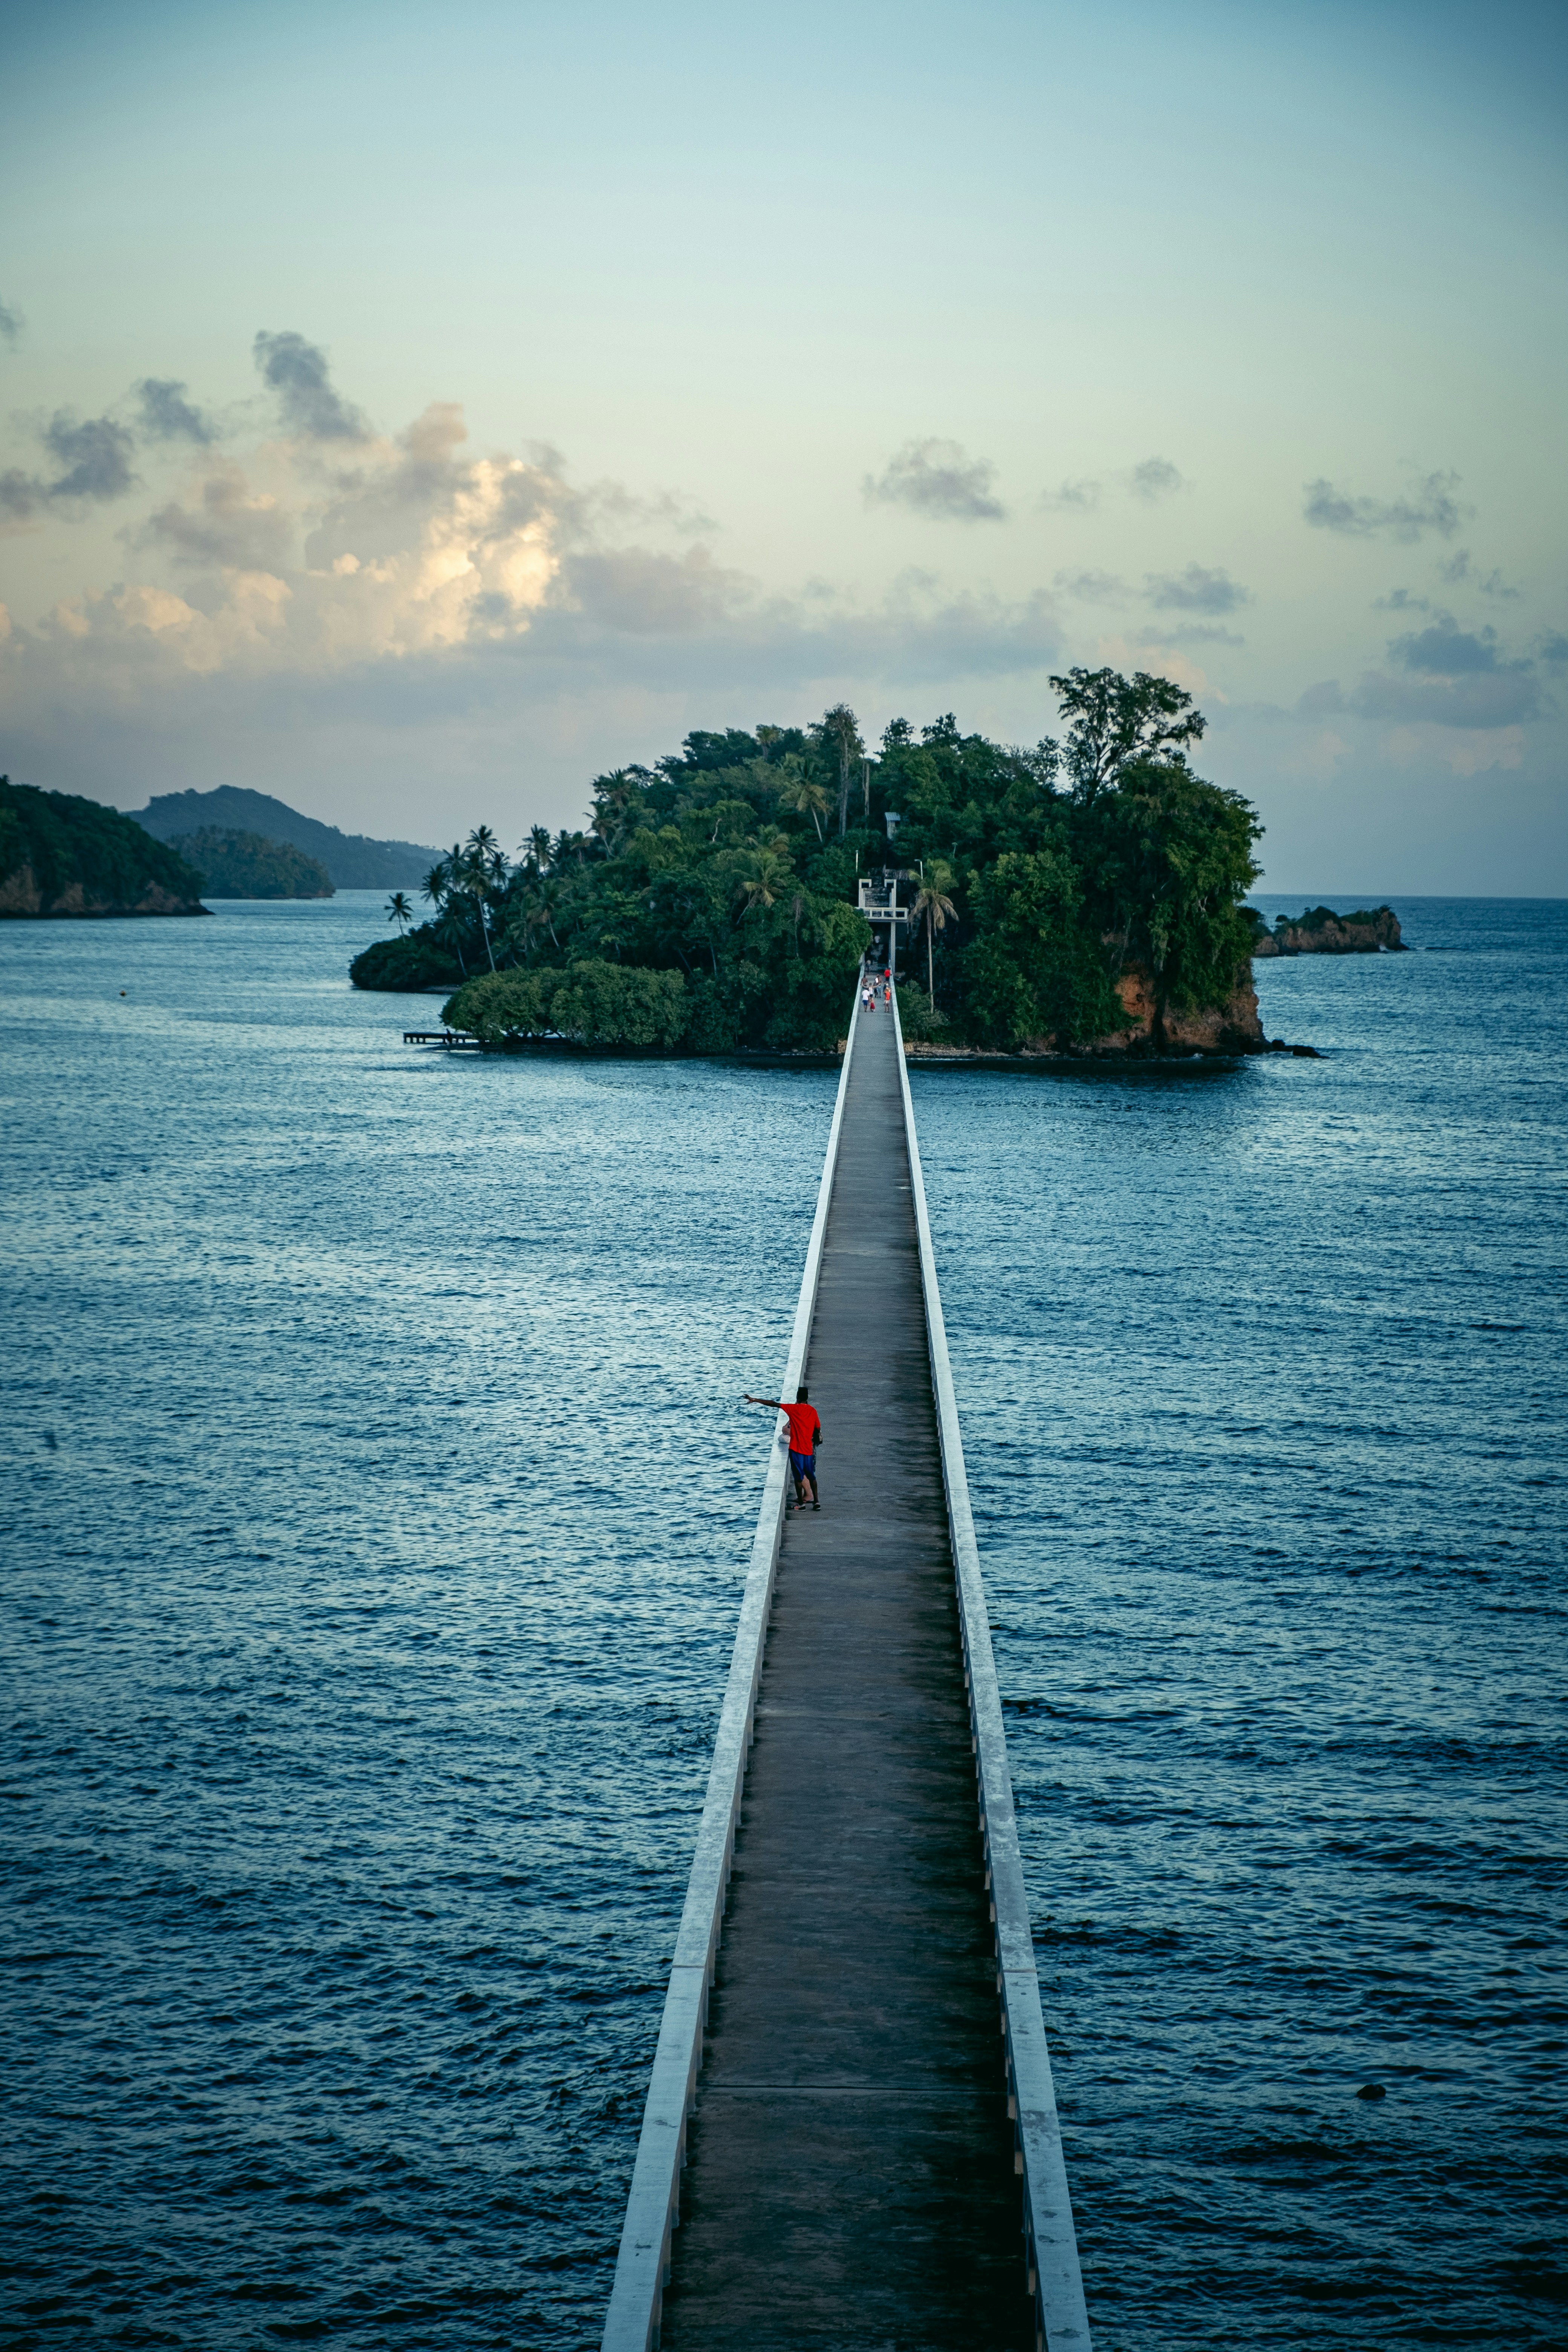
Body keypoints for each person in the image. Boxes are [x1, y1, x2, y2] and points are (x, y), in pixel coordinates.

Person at [743, 1383, 822, 1510]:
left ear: (797, 1398)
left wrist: (755, 1400)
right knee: (811, 1476)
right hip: (809, 1449)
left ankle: (801, 1504)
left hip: (796, 1450)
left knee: (798, 1477)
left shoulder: (793, 1409)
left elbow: (774, 1404)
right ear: (807, 1398)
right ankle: (816, 1502)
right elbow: (818, 1429)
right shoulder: (813, 1411)